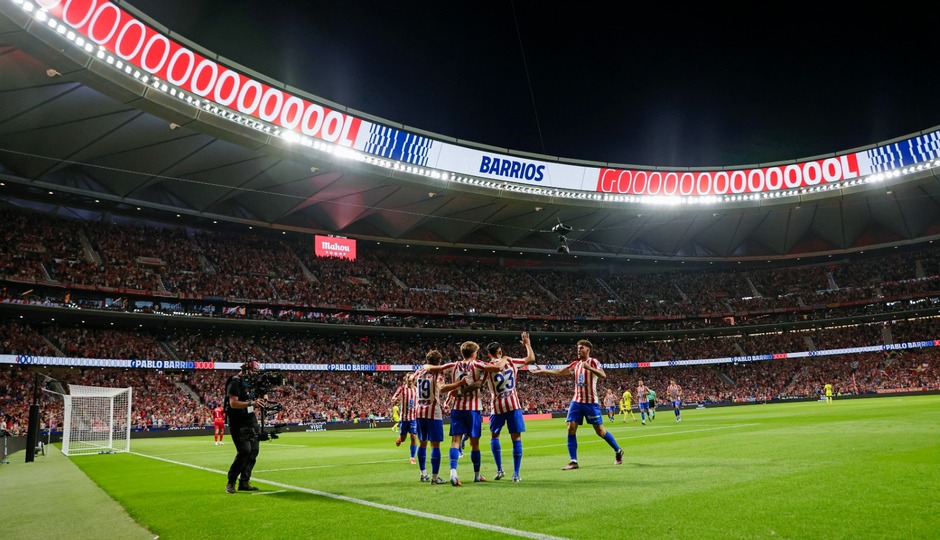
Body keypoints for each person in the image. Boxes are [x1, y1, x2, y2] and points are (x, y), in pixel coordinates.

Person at [529, 339, 624, 469]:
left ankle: (618, 451)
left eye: (581, 348)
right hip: (577, 401)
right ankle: (573, 461)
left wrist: (589, 368)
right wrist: (543, 371)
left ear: (587, 350)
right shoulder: (575, 364)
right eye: (578, 348)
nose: (578, 350)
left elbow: (603, 375)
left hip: (591, 403)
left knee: (600, 431)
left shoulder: (593, 362)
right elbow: (559, 372)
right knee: (571, 428)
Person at [423, 340, 493, 486]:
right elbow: (493, 368)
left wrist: (426, 366)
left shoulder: (453, 365)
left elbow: (436, 368)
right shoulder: (478, 364)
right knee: (475, 443)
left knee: (455, 441)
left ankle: (453, 473)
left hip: (457, 407)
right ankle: (477, 475)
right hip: (473, 408)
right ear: (474, 353)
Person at [483, 332, 536, 482]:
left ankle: (500, 469)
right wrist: (527, 344)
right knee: (516, 438)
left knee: (494, 436)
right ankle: (516, 474)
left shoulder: (487, 367)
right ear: (500, 351)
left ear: (489, 354)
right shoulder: (511, 361)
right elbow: (531, 358)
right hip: (513, 404)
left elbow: (480, 383)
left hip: (497, 406)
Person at [413, 349, 464, 484]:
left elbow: (412, 379)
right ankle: (435, 478)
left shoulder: (419, 372)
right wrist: (458, 384)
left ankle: (423, 473)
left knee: (422, 442)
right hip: (433, 412)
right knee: (435, 445)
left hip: (419, 411)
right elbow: (441, 388)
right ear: (439, 362)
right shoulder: (437, 374)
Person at [225, 358, 265, 493]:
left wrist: (262, 400)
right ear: (246, 369)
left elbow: (261, 393)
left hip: (249, 420)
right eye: (253, 371)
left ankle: (244, 482)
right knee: (244, 451)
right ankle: (231, 481)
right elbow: (233, 403)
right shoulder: (235, 382)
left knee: (253, 450)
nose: (255, 374)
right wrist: (251, 403)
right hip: (238, 421)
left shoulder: (251, 383)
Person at [390, 372, 418, 464]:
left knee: (413, 436)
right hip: (404, 418)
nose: (410, 381)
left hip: (413, 418)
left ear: (414, 380)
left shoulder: (416, 390)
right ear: (406, 380)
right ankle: (400, 438)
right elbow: (393, 399)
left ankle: (412, 457)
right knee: (403, 438)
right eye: (408, 380)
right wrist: (396, 400)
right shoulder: (402, 389)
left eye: (411, 380)